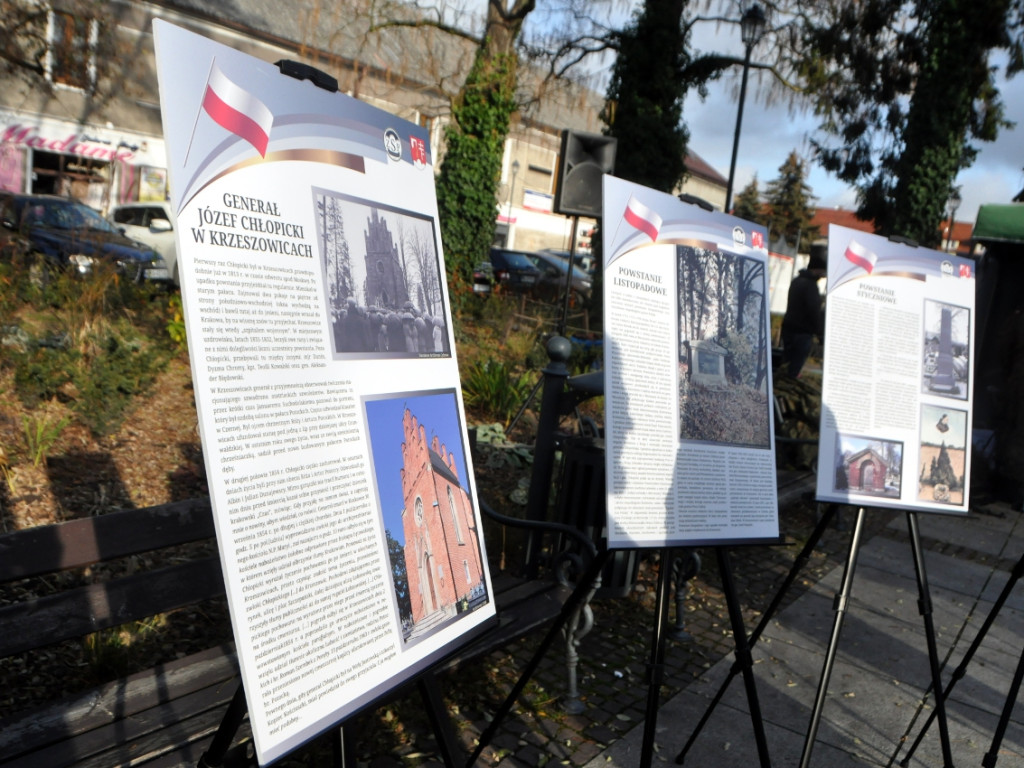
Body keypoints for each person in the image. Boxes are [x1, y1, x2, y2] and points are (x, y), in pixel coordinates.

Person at [780, 253, 826, 377]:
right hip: (802, 332)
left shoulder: (797, 281)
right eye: (823, 271)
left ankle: (780, 386)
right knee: (795, 368)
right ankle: (788, 387)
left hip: (788, 328)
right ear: (817, 270)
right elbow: (814, 311)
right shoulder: (810, 286)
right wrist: (820, 333)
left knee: (786, 362)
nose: (824, 275)